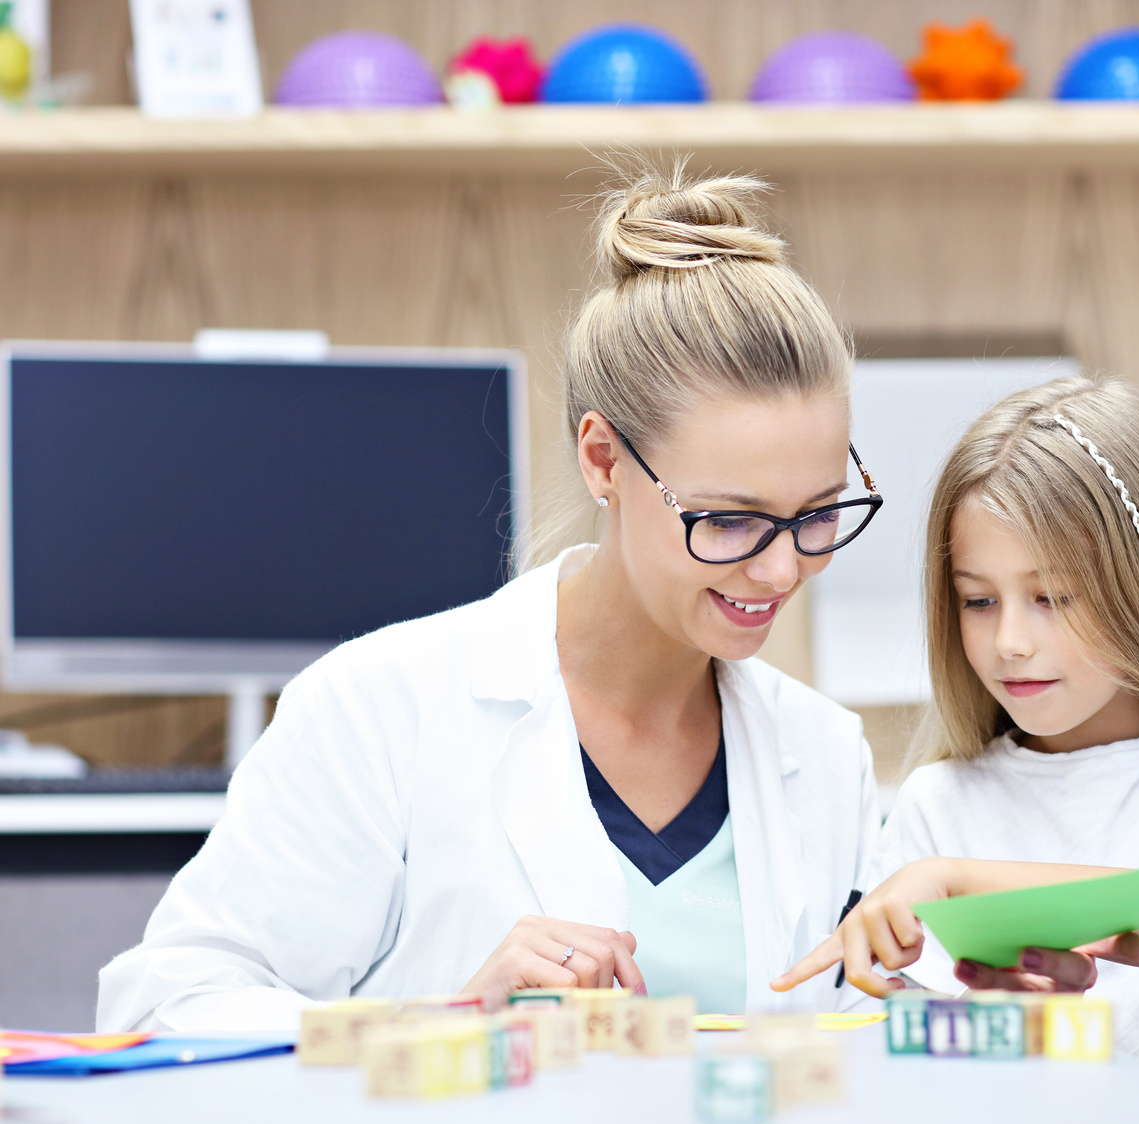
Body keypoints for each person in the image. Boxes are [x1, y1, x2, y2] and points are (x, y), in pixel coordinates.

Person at [98, 160, 885, 1031]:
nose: (781, 573)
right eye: (729, 522)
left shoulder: (823, 753)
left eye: (817, 515)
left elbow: (856, 1050)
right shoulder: (378, 709)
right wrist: (448, 1021)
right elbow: (164, 1006)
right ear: (604, 461)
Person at [774, 375, 1139, 1123]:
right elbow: (916, 1073)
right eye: (979, 601)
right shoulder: (939, 805)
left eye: (1054, 598)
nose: (1010, 641)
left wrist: (949, 879)